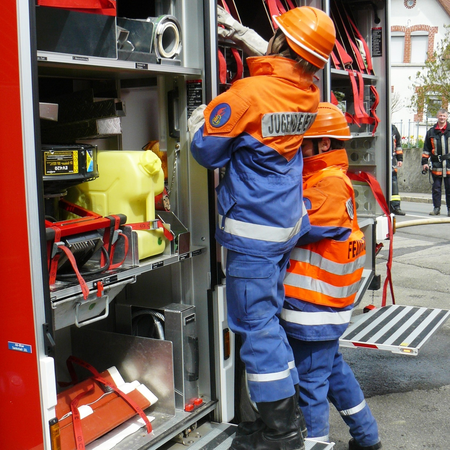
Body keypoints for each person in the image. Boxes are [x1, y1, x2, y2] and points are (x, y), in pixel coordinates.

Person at [188, 7, 336, 450]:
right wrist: (254, 43)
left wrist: (201, 119)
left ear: (281, 43)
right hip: (281, 229)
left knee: (257, 333)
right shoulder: (307, 95)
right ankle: (269, 425)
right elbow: (290, 78)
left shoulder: (247, 93)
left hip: (252, 234)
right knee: (269, 327)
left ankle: (282, 433)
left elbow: (206, 153)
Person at [281, 103, 382, 450]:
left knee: (311, 387)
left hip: (312, 310)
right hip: (322, 308)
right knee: (333, 373)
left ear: (323, 144)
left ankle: (315, 445)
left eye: (301, 142)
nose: (294, 147)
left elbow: (288, 225)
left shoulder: (327, 186)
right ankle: (367, 437)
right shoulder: (328, 179)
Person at [422, 108, 450, 216]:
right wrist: (424, 162)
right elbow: (426, 148)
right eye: (440, 116)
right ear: (437, 117)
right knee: (436, 189)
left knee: (449, 189)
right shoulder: (431, 132)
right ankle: (436, 208)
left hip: (449, 164)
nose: (442, 118)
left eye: (444, 116)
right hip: (436, 165)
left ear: (446, 117)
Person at [390, 123, 405, 215]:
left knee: (394, 183)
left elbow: (398, 144)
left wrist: (400, 158)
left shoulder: (393, 128)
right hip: (379, 161)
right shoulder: (375, 126)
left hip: (392, 161)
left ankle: (395, 206)